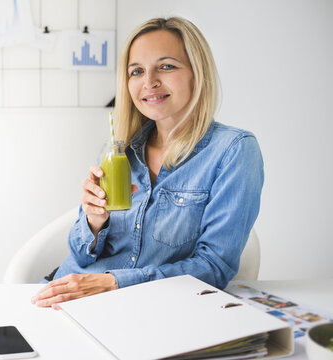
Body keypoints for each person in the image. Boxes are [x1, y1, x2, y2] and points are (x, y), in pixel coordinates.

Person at [31, 17, 264, 309]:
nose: (149, 81)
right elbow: (80, 257)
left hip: (145, 308)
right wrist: (93, 221)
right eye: (136, 71)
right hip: (66, 295)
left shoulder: (233, 151)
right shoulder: (118, 150)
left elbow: (214, 267)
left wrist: (114, 282)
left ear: (196, 73)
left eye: (166, 66)